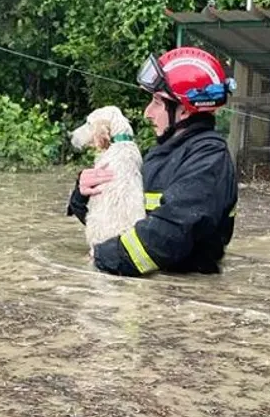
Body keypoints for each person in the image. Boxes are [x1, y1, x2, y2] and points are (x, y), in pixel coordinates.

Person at [66, 46, 239, 276]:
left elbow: (165, 237)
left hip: (182, 297)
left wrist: (101, 257)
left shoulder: (209, 160)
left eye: (157, 102)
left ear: (184, 111)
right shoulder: (163, 153)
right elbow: (120, 220)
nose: (148, 112)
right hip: (152, 282)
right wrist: (83, 193)